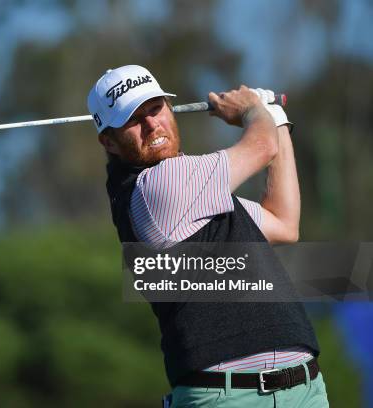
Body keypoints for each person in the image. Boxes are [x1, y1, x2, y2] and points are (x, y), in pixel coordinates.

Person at [88, 65, 330, 407]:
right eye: (133, 119)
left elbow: (283, 222)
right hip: (226, 396)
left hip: (304, 388)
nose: (151, 125)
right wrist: (250, 109)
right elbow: (261, 147)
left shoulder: (199, 194)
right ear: (108, 141)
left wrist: (277, 120)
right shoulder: (157, 187)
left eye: (155, 109)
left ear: (170, 109)